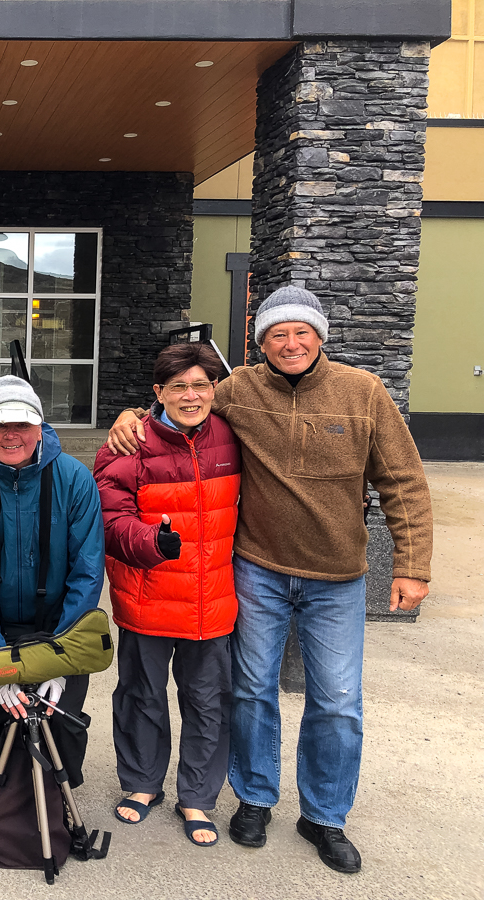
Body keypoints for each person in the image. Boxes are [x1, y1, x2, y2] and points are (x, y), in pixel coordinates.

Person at [106, 286, 434, 873]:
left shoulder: (363, 393)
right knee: (251, 692)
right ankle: (254, 799)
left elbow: (403, 481)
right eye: (277, 334)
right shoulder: (239, 391)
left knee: (337, 701)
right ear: (260, 344)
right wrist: (129, 416)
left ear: (320, 336)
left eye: (301, 332)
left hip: (336, 576)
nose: (290, 343)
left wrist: (411, 564)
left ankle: (324, 815)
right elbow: (180, 401)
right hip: (256, 569)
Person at [93, 343, 241, 847]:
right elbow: (109, 521)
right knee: (141, 697)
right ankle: (140, 784)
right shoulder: (128, 444)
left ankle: (198, 795)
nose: (191, 395)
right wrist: (150, 543)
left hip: (212, 599)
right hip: (148, 595)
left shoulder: (232, 434)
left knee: (208, 703)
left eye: (201, 385)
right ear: (158, 393)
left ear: (214, 390)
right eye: (178, 386)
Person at [0, 376, 105, 791]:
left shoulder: (74, 478)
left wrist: (60, 660)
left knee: (58, 717)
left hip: (59, 625)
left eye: (22, 425)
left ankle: (50, 791)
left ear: (40, 428)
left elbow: (87, 573)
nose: (11, 435)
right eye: (1, 425)